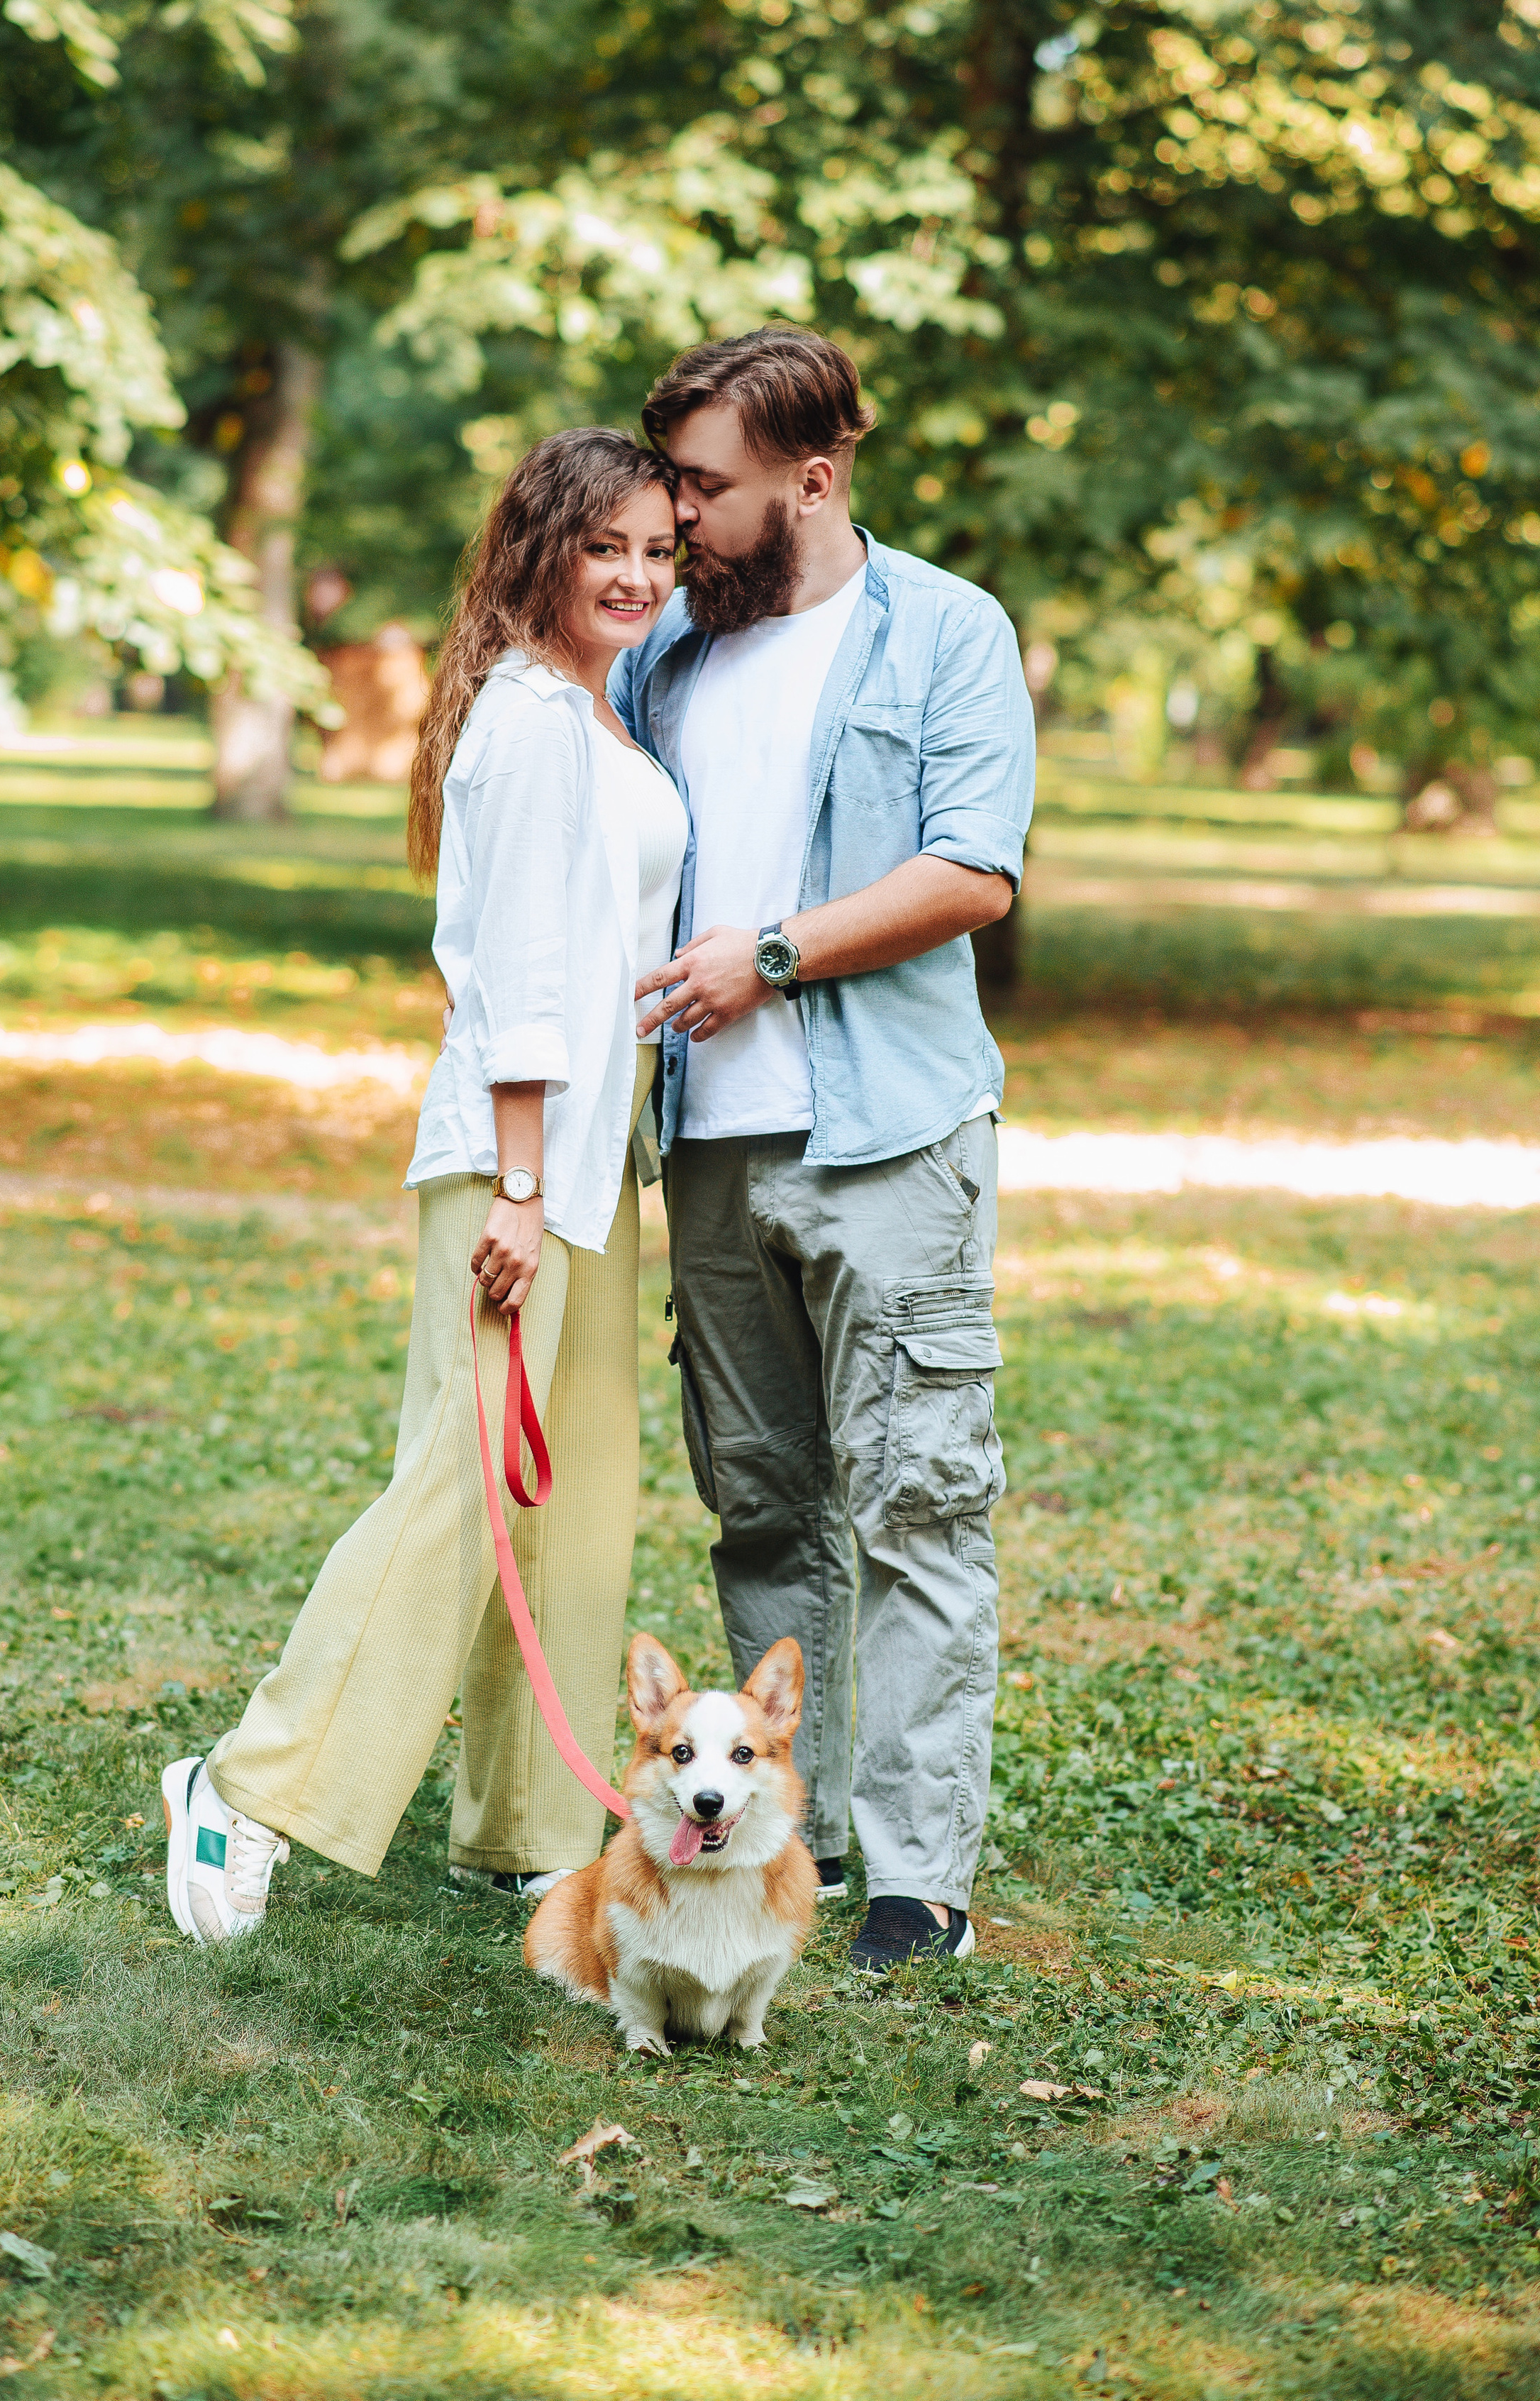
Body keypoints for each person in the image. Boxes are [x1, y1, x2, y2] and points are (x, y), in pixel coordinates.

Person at [162, 429, 687, 1940]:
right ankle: (245, 1789)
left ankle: (524, 1833)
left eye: (656, 550)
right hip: (514, 1164)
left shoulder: (592, 720)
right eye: (609, 550)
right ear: (542, 550)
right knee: (460, 1488)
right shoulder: (525, 722)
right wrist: (518, 1183)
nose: (638, 577)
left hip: (590, 1163)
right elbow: (515, 971)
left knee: (573, 1503)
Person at [614, 328, 1036, 1972]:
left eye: (705, 491)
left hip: (886, 1140)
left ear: (813, 472)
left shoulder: (939, 630)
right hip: (704, 1154)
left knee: (915, 1508)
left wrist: (767, 955)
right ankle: (802, 1838)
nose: (679, 523)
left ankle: (918, 1882)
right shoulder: (666, 652)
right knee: (764, 1514)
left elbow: (969, 875)